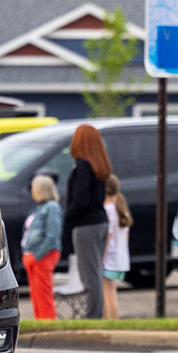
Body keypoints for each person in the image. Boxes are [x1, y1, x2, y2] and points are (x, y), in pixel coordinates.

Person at [65, 124, 112, 319]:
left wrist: (67, 216)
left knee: (89, 276)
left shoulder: (84, 165)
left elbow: (81, 199)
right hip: (100, 222)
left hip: (86, 225)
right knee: (95, 272)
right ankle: (96, 313)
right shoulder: (97, 166)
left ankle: (92, 316)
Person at [20, 174, 64, 320]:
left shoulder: (52, 208)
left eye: (34, 187)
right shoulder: (38, 207)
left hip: (44, 254)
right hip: (32, 254)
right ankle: (40, 319)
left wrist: (36, 256)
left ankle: (48, 320)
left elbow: (53, 236)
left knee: (43, 292)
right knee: (36, 292)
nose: (32, 190)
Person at [102, 174, 132, 321]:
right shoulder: (121, 208)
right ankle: (106, 319)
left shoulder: (107, 210)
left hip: (109, 258)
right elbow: (126, 235)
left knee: (107, 293)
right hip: (120, 257)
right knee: (110, 291)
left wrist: (101, 256)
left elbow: (107, 236)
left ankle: (112, 321)